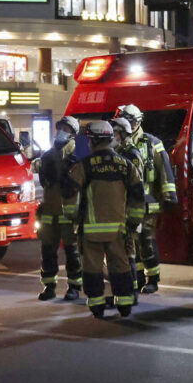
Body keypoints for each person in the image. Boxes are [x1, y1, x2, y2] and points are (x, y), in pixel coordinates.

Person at [63, 121, 145, 318]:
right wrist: (132, 223)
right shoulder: (126, 165)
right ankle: (125, 305)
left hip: (91, 232)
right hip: (119, 231)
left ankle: (97, 305)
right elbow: (138, 196)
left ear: (93, 141)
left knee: (92, 269)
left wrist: (73, 217)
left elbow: (70, 200)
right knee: (121, 267)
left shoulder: (83, 167)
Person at [115, 104, 177, 294]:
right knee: (132, 241)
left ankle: (153, 278)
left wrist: (169, 195)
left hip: (148, 203)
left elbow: (164, 170)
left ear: (136, 122)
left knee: (147, 241)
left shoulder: (151, 142)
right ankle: (139, 276)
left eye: (131, 121)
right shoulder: (119, 143)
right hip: (126, 203)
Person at [34, 116, 82, 301]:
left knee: (72, 251)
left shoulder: (78, 154)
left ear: (73, 133)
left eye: (66, 129)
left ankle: (74, 287)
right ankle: (49, 286)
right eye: (60, 128)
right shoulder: (47, 155)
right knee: (47, 251)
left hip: (69, 212)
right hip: (49, 212)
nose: (62, 131)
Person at [111, 117, 144, 303]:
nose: (113, 136)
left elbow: (135, 187)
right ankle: (130, 292)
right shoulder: (119, 153)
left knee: (129, 252)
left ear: (123, 134)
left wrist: (133, 218)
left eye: (116, 133)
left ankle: (132, 293)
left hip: (129, 210)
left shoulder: (131, 154)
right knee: (124, 252)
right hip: (121, 210)